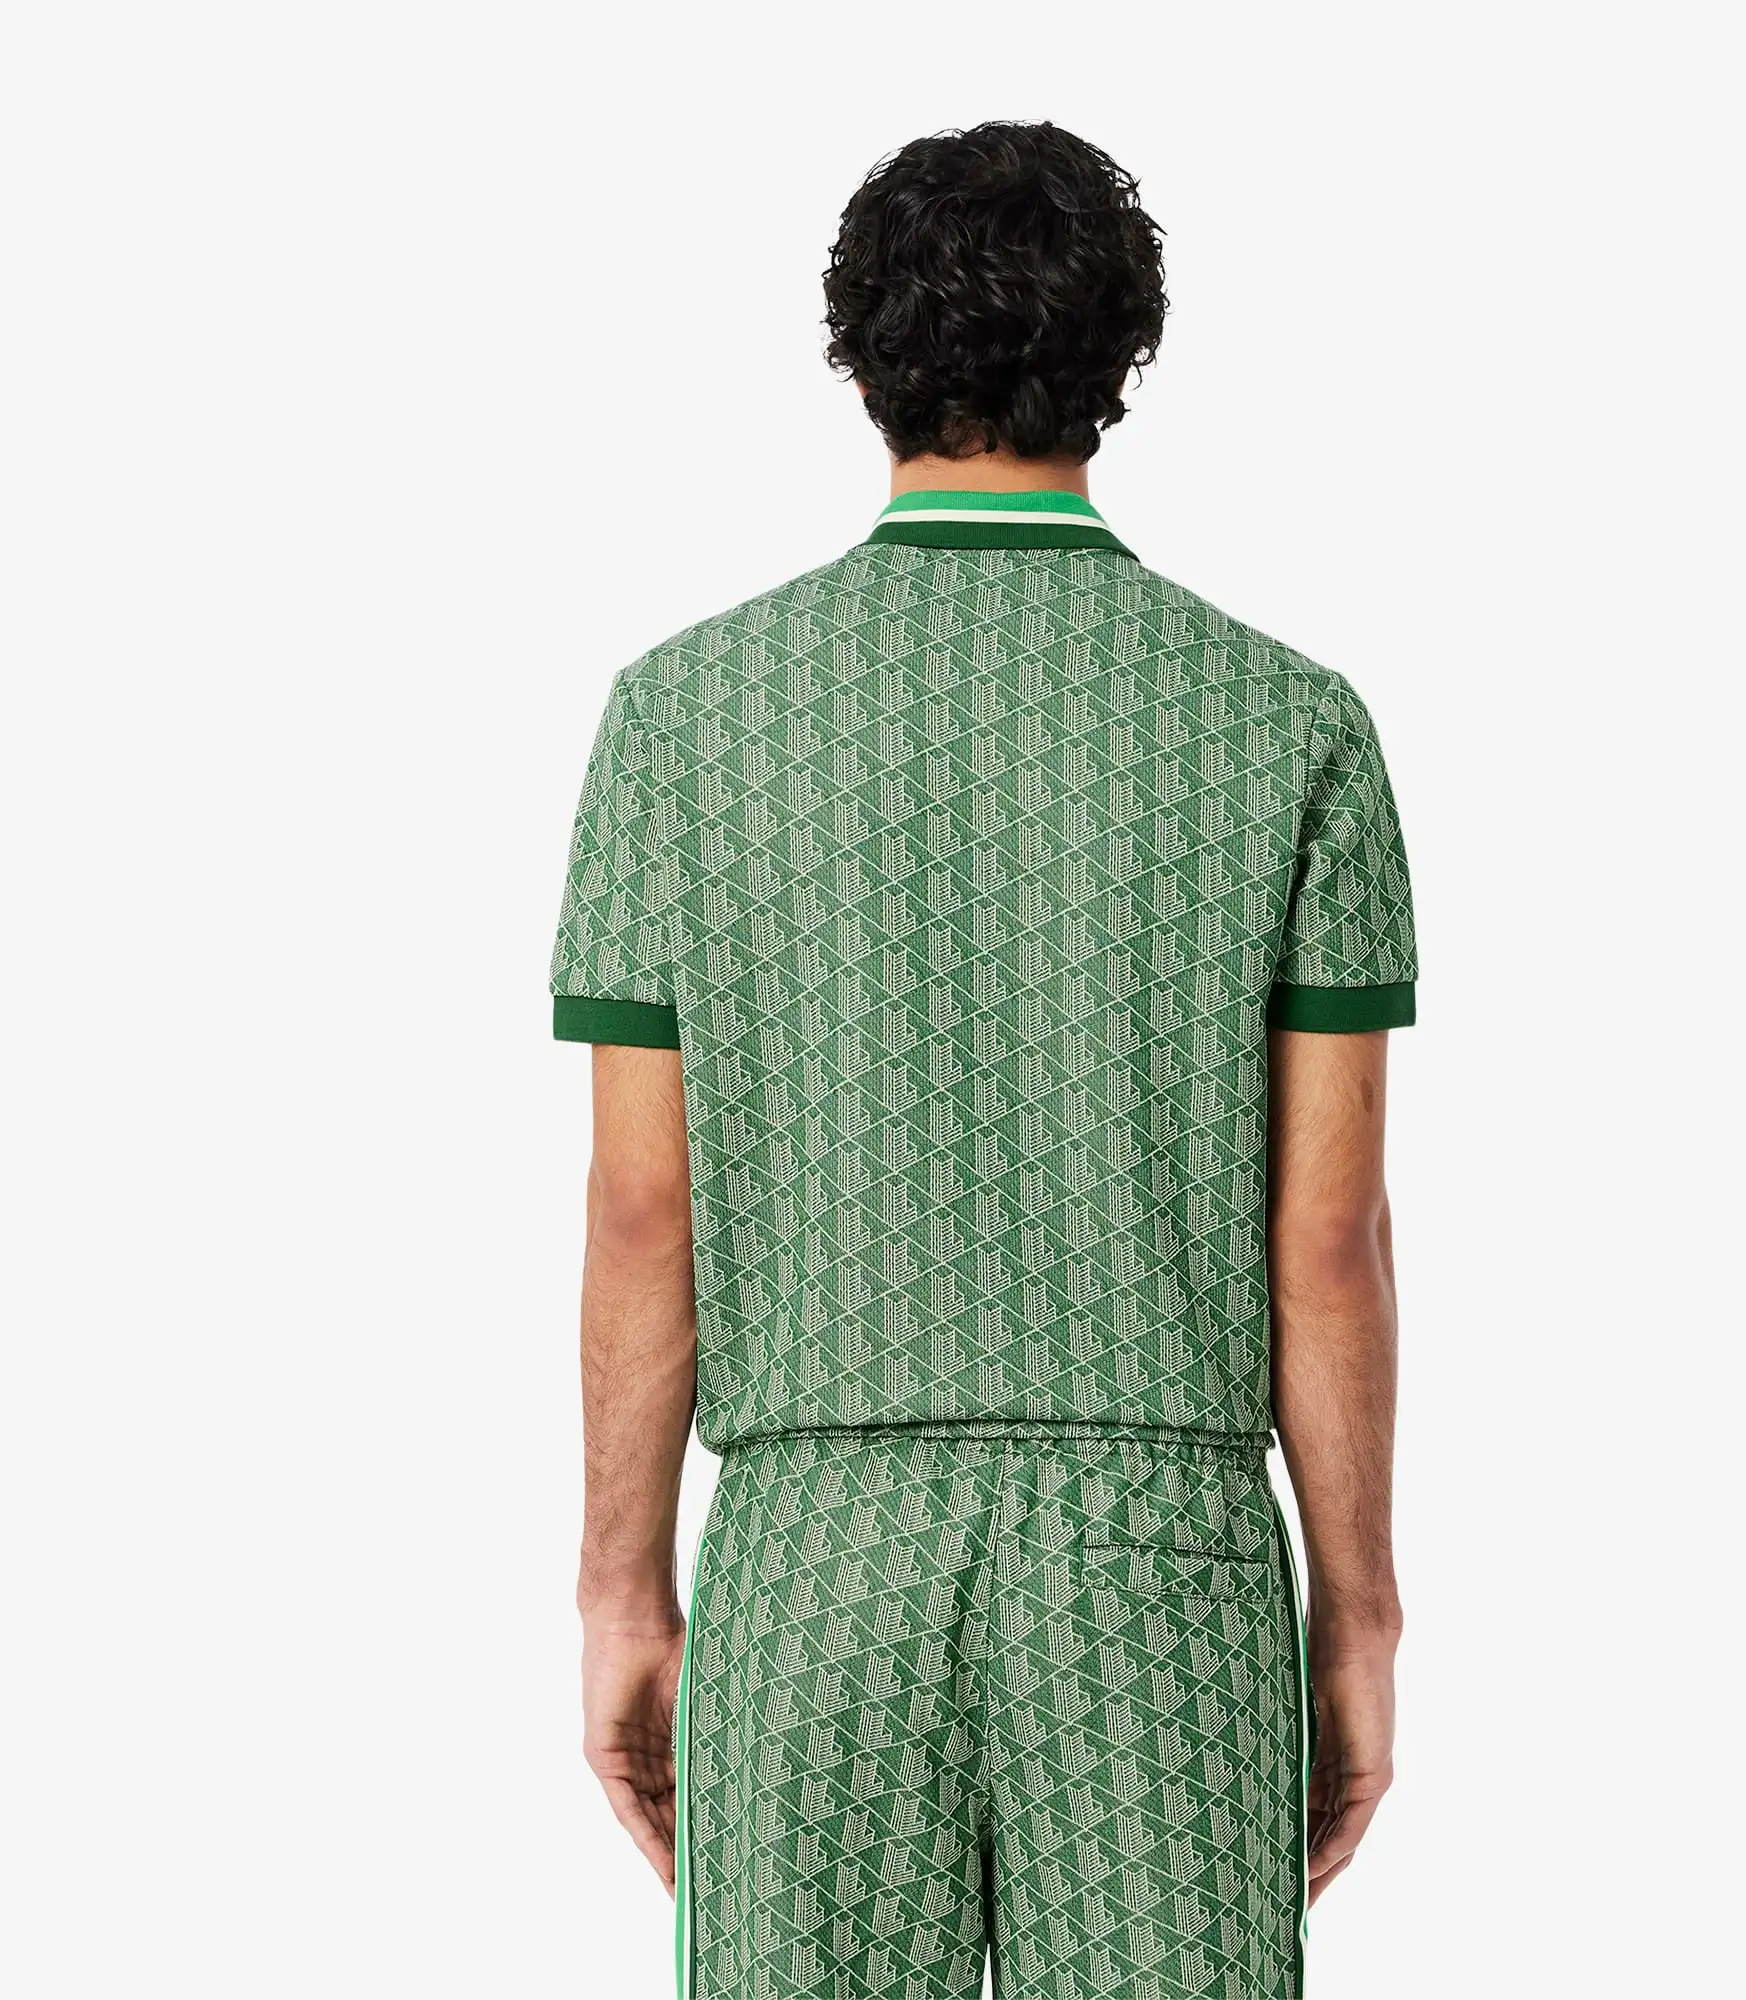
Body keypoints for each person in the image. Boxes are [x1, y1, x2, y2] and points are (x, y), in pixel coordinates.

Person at [549, 120, 1417, 1999]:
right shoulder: (1292, 728)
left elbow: (640, 1211)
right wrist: (1359, 1613)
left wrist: (622, 1584)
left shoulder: (681, 721)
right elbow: (1327, 1244)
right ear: (1123, 353)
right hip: (1161, 1563)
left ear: (858, 354)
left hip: (817, 1557)